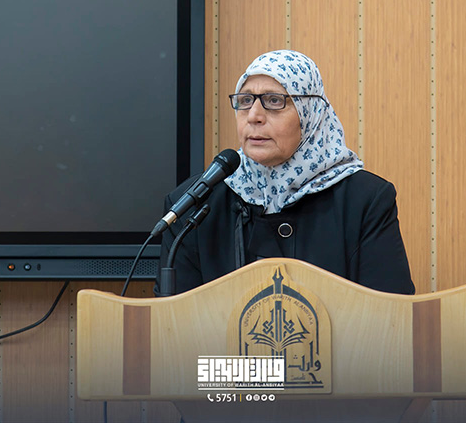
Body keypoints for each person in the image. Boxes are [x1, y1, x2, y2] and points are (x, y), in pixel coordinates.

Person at [155, 50, 415, 295]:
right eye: (245, 101)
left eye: (274, 101)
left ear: (310, 113)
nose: (254, 116)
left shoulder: (365, 200)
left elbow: (389, 314)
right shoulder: (193, 203)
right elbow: (174, 320)